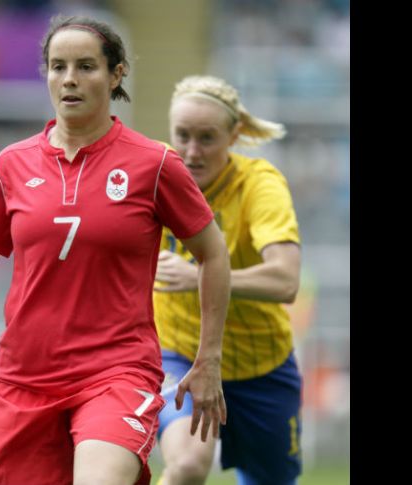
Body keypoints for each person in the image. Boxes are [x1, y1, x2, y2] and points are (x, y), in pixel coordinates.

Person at [0, 16, 231, 485]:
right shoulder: (11, 165)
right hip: (23, 379)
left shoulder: (154, 165)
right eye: (58, 66)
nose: (69, 78)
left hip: (116, 370)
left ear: (116, 74)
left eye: (86, 66)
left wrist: (208, 360)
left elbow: (214, 254)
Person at [153, 75, 303, 485]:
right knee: (185, 466)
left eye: (207, 138)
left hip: (261, 367)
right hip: (179, 353)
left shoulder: (259, 184)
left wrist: (200, 276)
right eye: (182, 135)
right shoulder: (153, 172)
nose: (192, 151)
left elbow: (286, 279)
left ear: (234, 135)